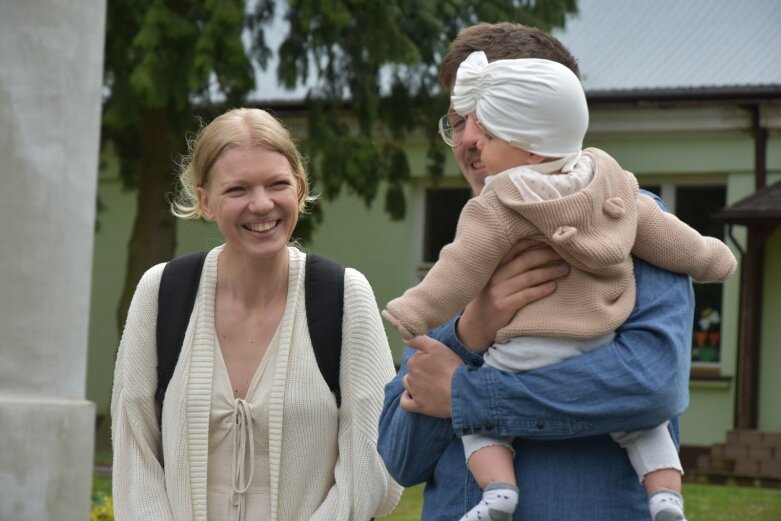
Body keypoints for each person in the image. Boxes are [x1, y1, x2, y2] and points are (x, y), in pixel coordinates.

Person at [383, 50, 737, 521]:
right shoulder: (459, 261)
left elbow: (650, 386)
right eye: (456, 120)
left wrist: (468, 396)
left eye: (485, 120)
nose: (469, 138)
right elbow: (400, 460)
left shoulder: (626, 219)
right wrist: (471, 331)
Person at [111, 107, 401, 521]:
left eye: (277, 184)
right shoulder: (162, 293)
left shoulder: (343, 296)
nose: (261, 204)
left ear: (299, 189)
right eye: (237, 190)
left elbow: (372, 461)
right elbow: (134, 450)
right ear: (205, 201)